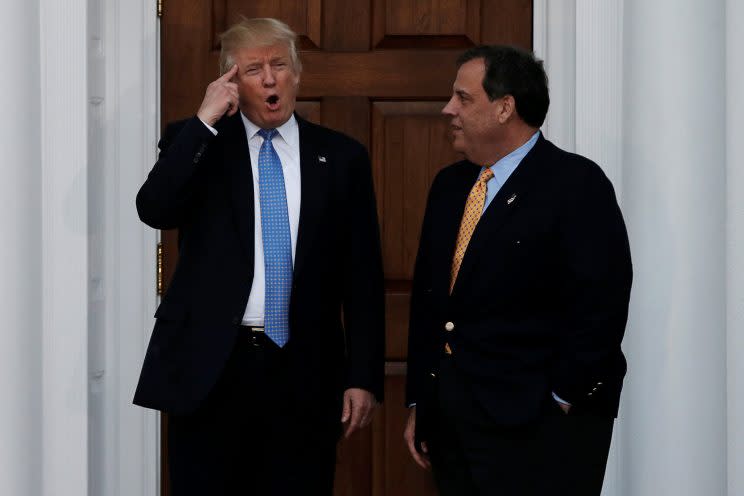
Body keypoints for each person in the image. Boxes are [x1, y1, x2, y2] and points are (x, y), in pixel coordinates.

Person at [133, 17, 384, 495]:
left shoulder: (341, 157)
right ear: (230, 81)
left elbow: (362, 277)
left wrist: (363, 377)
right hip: (213, 370)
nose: (270, 79)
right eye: (253, 69)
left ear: (297, 73)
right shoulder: (199, 142)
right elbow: (155, 208)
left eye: (279, 65)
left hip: (304, 371)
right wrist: (206, 121)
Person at [403, 45, 632, 495]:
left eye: (463, 99)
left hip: (537, 424)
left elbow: (600, 305)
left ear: (505, 107)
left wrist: (561, 399)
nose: (448, 109)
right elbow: (430, 300)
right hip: (452, 418)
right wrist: (420, 399)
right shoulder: (449, 186)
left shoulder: (575, 184)